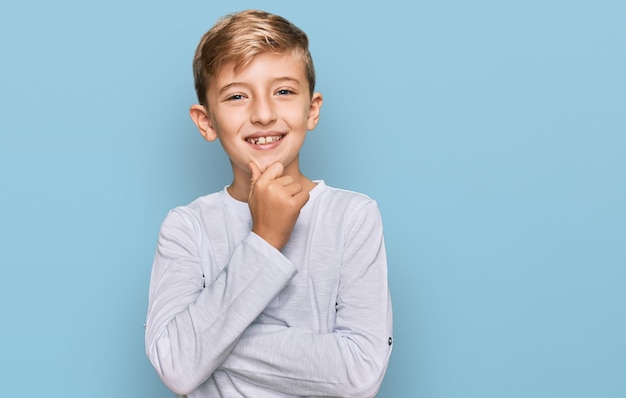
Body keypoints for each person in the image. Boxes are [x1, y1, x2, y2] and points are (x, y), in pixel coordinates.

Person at [145, 9, 393, 398]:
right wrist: (264, 240)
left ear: (311, 110)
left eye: (283, 91)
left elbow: (360, 373)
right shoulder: (186, 227)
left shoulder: (353, 217)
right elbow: (176, 366)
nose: (263, 114)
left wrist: (207, 345)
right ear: (206, 121)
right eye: (237, 96)